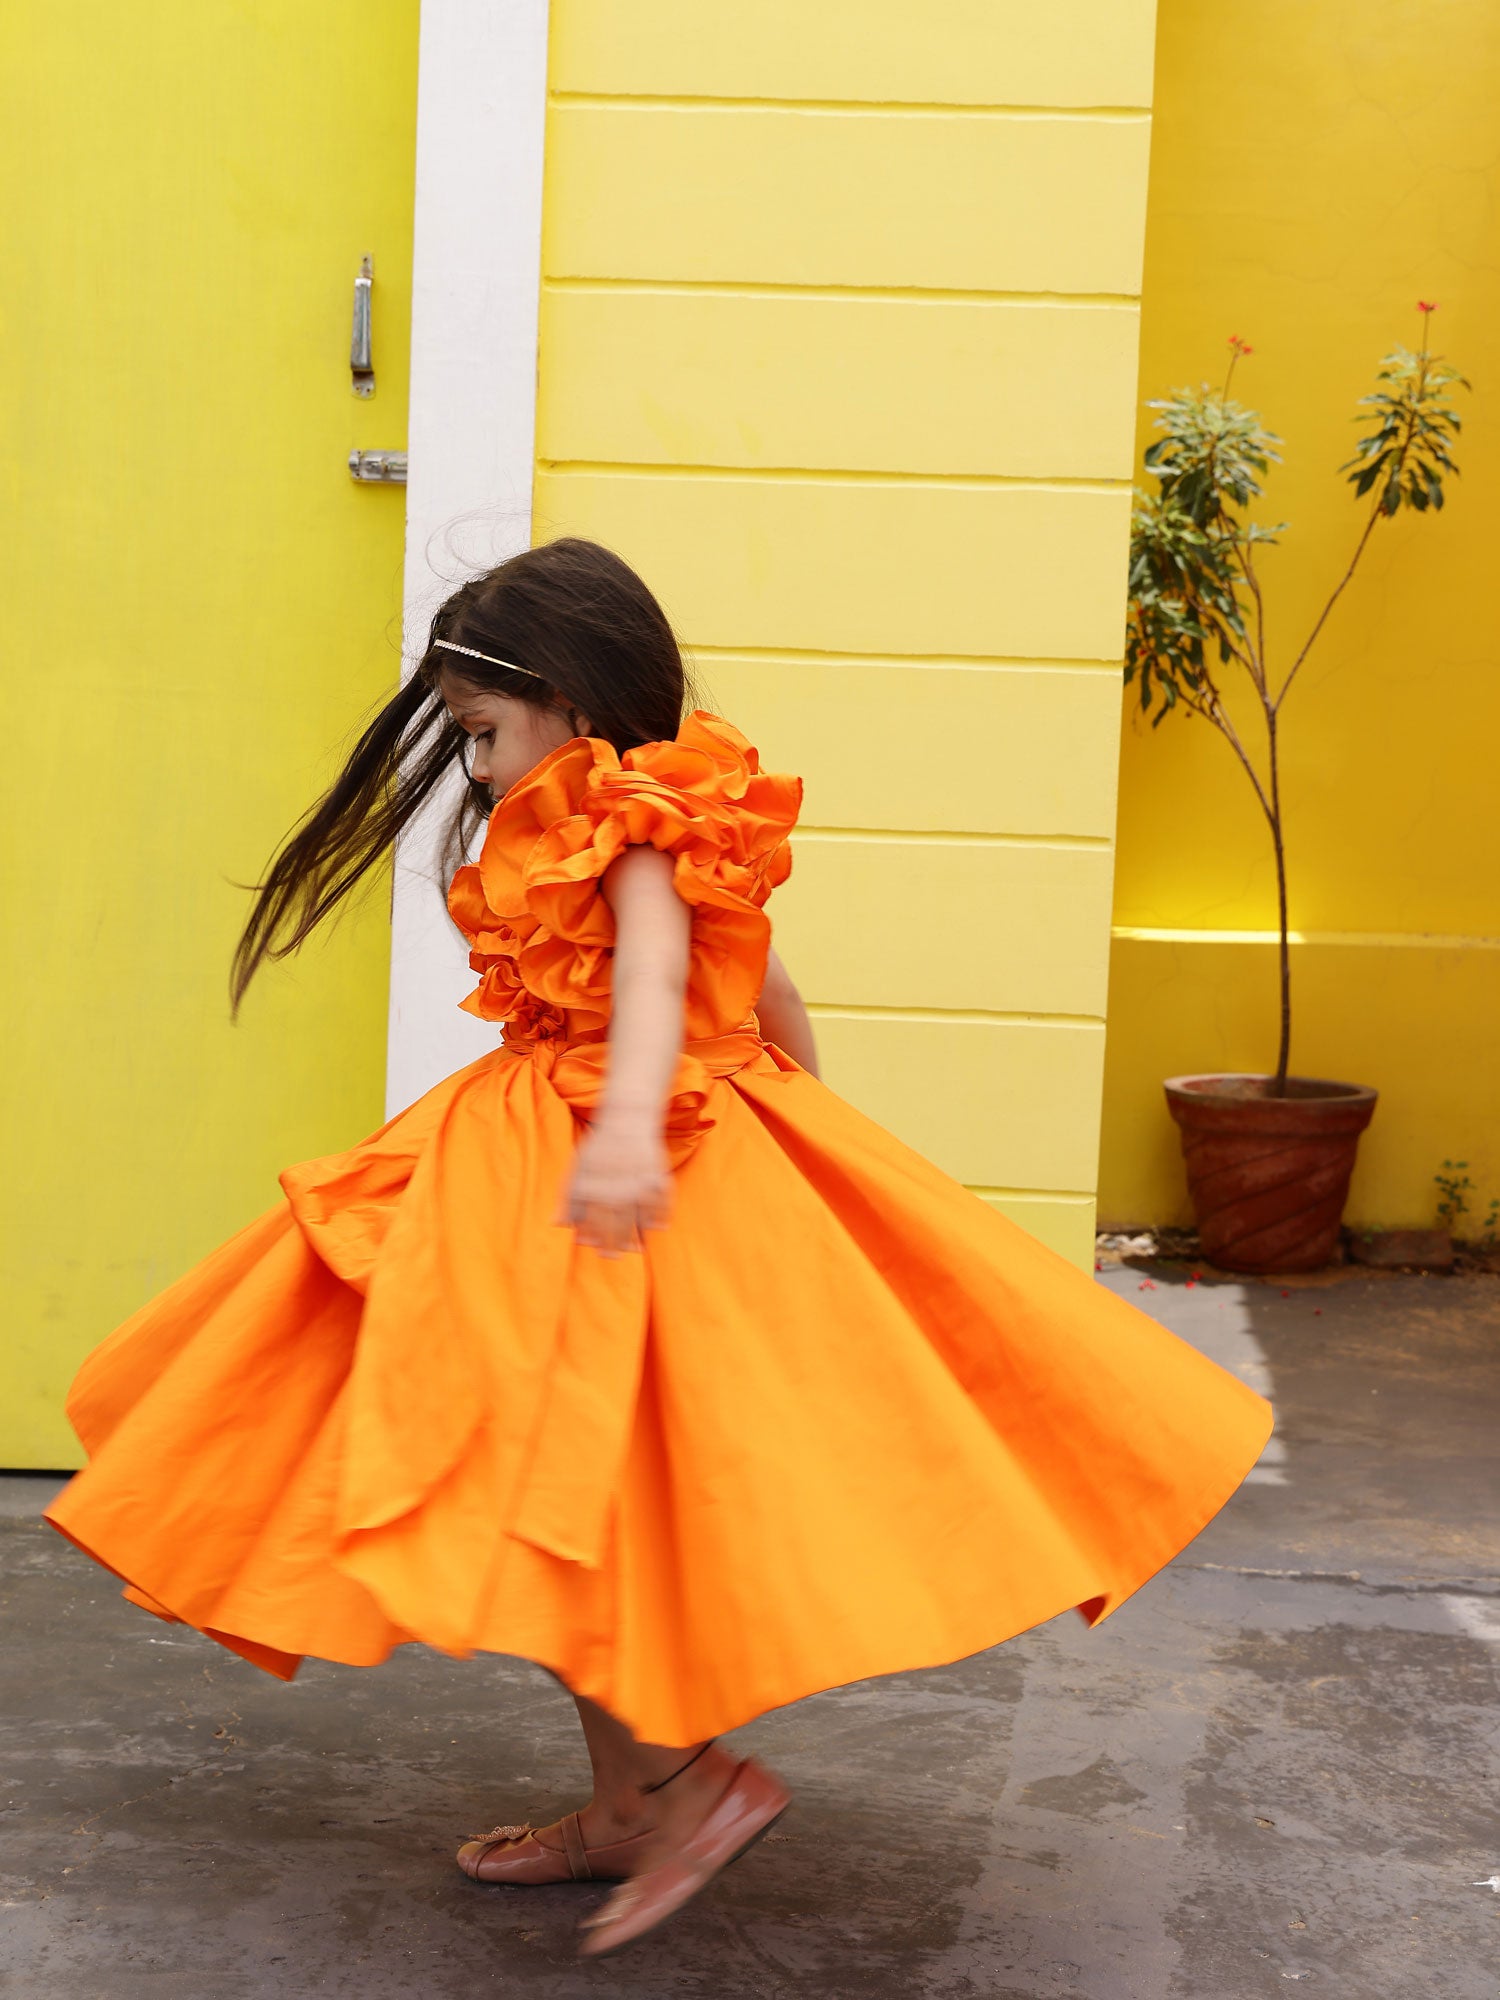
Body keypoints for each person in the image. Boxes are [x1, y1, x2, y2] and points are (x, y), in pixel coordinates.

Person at [45, 536, 1273, 1957]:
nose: (483, 770)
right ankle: (646, 1797)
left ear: (567, 702)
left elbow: (659, 975)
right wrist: (797, 1109)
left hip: (606, 1161)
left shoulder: (629, 820)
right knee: (582, 1496)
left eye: (487, 735)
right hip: (588, 1151)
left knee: (558, 1487)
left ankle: (678, 1792)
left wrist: (637, 1126)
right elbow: (769, 989)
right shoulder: (654, 821)